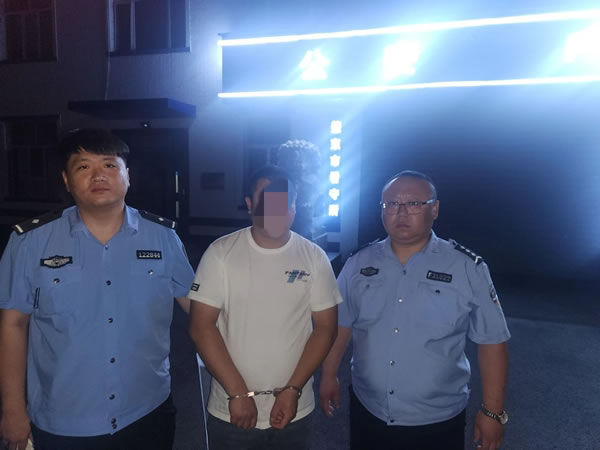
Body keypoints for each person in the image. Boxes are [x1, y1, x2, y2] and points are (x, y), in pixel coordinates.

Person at [0, 128, 194, 450]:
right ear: (66, 180)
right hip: (63, 419)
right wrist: (12, 409)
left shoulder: (163, 238)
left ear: (128, 176)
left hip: (147, 409)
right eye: (83, 166)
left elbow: (200, 308)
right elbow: (12, 325)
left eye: (109, 165)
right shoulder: (29, 243)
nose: (98, 175)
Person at [319, 170, 510, 450]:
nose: (401, 212)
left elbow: (492, 341)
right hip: (368, 408)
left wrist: (493, 411)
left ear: (435, 209)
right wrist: (328, 374)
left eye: (413, 203)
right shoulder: (358, 263)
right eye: (392, 204)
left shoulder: (467, 268)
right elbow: (341, 324)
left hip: (437, 418)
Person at [188, 166, 341, 450]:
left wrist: (293, 390)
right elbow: (201, 326)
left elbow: (325, 328)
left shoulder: (314, 257)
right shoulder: (221, 253)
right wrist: (237, 394)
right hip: (231, 407)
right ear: (250, 204)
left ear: (294, 206)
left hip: (296, 405)